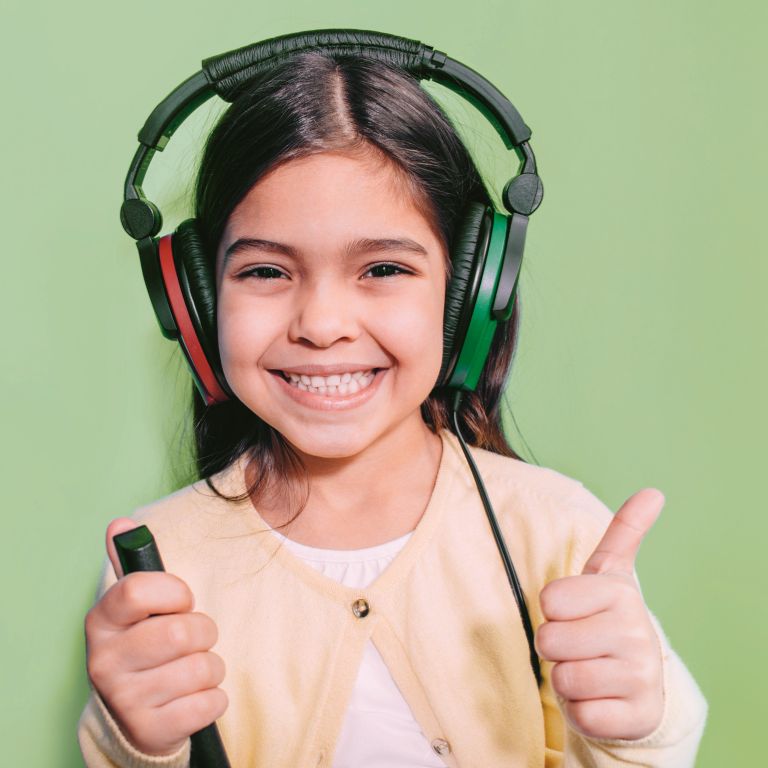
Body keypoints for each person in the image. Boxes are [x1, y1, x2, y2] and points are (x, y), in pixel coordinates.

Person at [78, 47, 708, 767]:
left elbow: (649, 741)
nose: (321, 324)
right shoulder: (161, 566)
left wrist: (633, 728)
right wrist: (139, 744)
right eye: (264, 270)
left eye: (382, 269)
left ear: (471, 295)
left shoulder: (558, 535)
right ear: (194, 303)